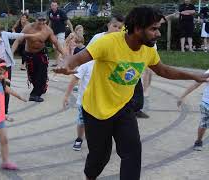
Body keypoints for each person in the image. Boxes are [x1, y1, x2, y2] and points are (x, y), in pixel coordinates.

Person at [54, 6, 209, 180]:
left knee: (132, 152)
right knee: (100, 158)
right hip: (96, 109)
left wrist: (194, 76)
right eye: (153, 29)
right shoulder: (109, 42)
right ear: (137, 28)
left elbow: (163, 70)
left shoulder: (148, 48)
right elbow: (78, 58)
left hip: (123, 108)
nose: (158, 34)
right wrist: (66, 64)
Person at [63, 15, 124, 152]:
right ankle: (79, 138)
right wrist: (66, 95)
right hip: (85, 100)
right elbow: (76, 75)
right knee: (82, 122)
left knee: (102, 123)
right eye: (114, 26)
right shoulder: (89, 62)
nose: (117, 29)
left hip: (104, 98)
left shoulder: (113, 62)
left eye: (120, 28)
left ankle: (100, 142)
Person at [0, 17, 39, 121]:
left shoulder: (4, 35)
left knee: (6, 89)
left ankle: (5, 113)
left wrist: (32, 35)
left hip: (6, 67)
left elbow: (18, 35)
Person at [12, 12, 66, 102]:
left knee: (41, 74)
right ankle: (39, 88)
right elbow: (18, 40)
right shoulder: (28, 28)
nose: (42, 22)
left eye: (43, 20)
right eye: (39, 20)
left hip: (41, 54)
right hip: (29, 55)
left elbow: (56, 43)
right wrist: (11, 53)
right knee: (32, 76)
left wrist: (65, 54)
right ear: (35, 20)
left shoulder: (48, 30)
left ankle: (34, 94)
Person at [177, 71, 209, 151]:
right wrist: (182, 96)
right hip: (206, 103)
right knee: (203, 124)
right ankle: (198, 141)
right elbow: (195, 84)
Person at [48, 0, 73, 67]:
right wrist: (47, 30)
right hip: (53, 33)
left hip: (61, 32)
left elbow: (68, 22)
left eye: (55, 5)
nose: (53, 7)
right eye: (52, 5)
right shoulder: (50, 12)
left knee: (60, 47)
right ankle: (57, 62)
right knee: (55, 48)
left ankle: (65, 62)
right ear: (51, 6)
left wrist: (72, 31)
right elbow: (50, 22)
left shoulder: (61, 12)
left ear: (57, 6)